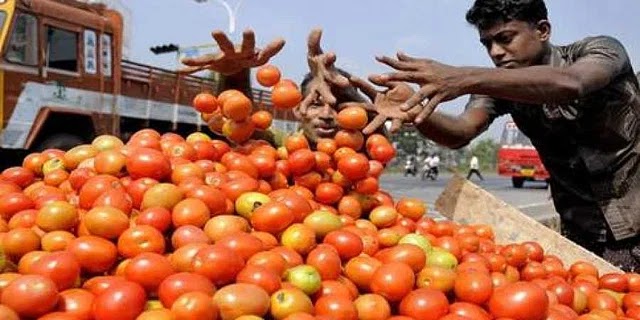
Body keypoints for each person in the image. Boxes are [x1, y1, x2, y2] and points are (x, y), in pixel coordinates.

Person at [356, 0, 640, 270]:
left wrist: (464, 78)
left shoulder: (600, 51)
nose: (495, 52)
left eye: (505, 38)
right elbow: (461, 131)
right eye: (487, 43)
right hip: (583, 233)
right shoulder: (498, 85)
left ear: (542, 30)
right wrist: (419, 113)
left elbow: (572, 83)